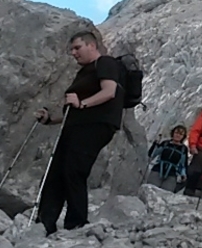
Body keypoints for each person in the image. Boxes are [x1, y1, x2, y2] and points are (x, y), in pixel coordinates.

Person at [34, 31, 126, 235]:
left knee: (74, 170)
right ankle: (44, 222)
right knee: (56, 171)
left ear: (91, 45)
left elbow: (109, 91)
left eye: (77, 48)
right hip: (75, 126)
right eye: (72, 50)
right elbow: (72, 110)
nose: (73, 53)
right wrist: (50, 119)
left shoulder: (105, 62)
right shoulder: (83, 72)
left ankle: (76, 223)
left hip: (95, 126)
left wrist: (82, 104)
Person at [147, 125, 189, 192]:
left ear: (183, 137)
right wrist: (155, 144)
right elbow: (153, 154)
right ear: (173, 133)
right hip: (158, 169)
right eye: (176, 133)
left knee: (165, 195)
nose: (178, 135)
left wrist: (183, 174)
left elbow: (183, 164)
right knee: (150, 190)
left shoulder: (183, 149)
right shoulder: (165, 143)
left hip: (172, 173)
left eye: (181, 134)